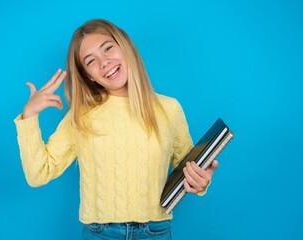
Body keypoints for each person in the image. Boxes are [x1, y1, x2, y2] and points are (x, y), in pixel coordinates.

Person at [14, 19, 218, 240]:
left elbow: (185, 172)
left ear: (125, 47)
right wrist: (29, 116)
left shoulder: (169, 109)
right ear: (88, 75)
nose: (104, 62)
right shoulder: (81, 116)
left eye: (108, 48)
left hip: (155, 232)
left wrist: (199, 181)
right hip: (100, 234)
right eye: (91, 61)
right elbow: (38, 174)